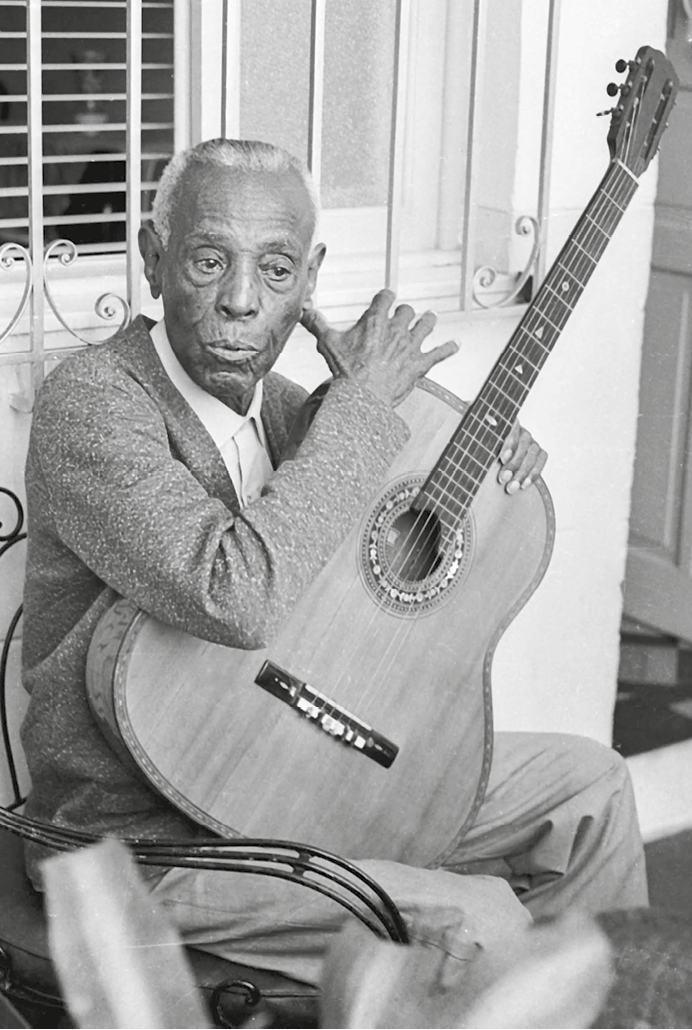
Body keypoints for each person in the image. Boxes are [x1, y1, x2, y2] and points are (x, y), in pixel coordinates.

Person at [20, 137, 648, 988]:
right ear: (154, 257)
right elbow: (236, 592)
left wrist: (495, 469)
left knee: (593, 786)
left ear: (309, 280)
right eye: (209, 260)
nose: (242, 301)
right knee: (483, 919)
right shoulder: (92, 403)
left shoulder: (283, 410)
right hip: (147, 839)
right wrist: (355, 408)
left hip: (289, 770)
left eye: (276, 271)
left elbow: (353, 524)